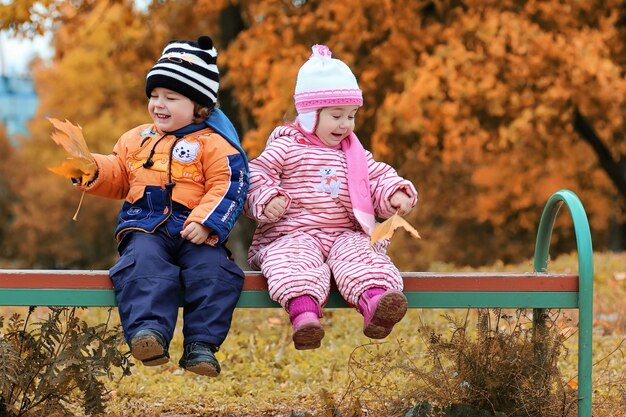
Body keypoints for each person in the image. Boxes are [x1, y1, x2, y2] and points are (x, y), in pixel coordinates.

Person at [69, 36, 248, 376]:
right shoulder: (136, 139)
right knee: (142, 265)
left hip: (196, 231)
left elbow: (230, 184)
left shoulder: (214, 145)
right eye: (154, 96)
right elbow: (120, 174)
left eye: (171, 97)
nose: (158, 104)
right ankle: (148, 333)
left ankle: (201, 345)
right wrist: (92, 169)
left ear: (200, 106)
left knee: (216, 272)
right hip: (145, 226)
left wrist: (208, 222)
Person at [244, 44, 417, 350]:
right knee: (293, 260)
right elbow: (256, 175)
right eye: (337, 115)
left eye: (351, 116)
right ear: (310, 115)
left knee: (362, 252)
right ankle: (305, 315)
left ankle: (377, 304)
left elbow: (375, 177)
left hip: (342, 232)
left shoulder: (354, 153)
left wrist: (394, 193)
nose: (345, 124)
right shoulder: (286, 147)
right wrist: (267, 198)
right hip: (292, 232)